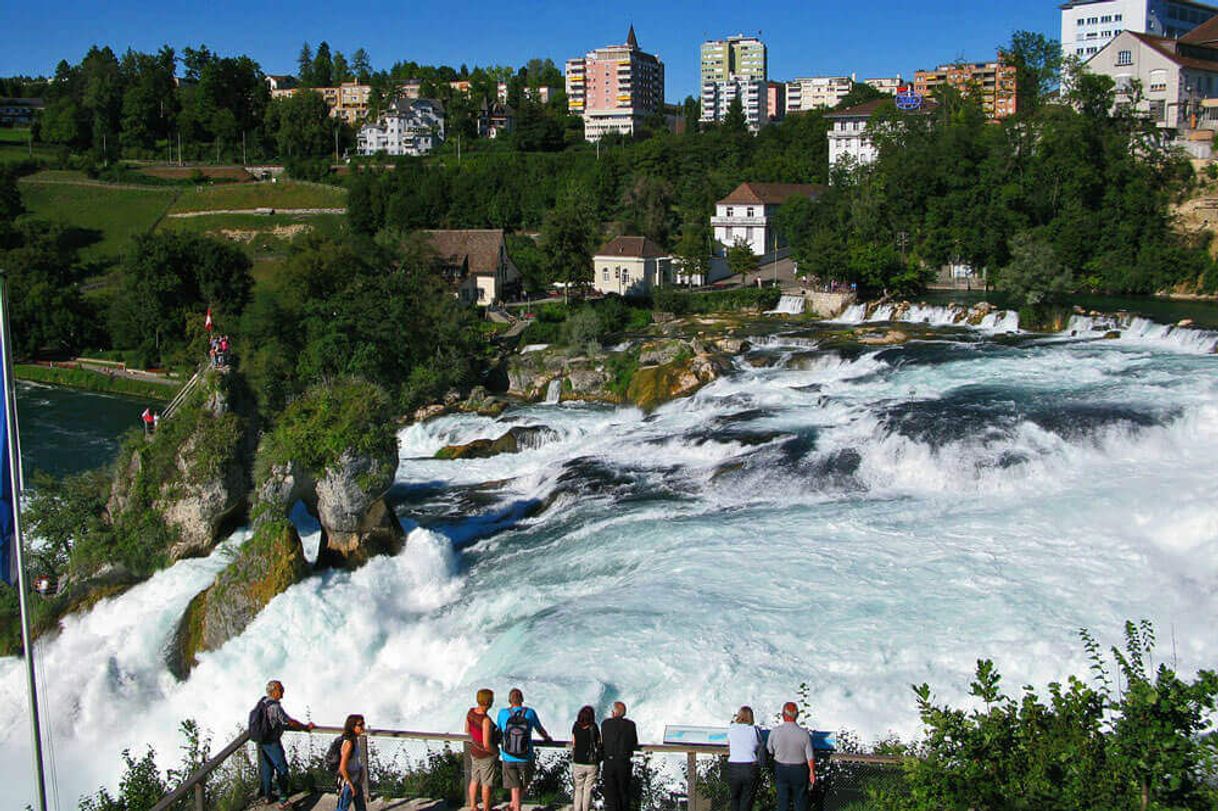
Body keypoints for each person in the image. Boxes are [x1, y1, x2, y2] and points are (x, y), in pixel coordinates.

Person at [255, 680, 316, 809]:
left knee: (267, 770)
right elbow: (289, 722)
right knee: (282, 769)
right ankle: (283, 800)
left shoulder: (263, 702)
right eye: (281, 689)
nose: (283, 691)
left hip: (262, 741)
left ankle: (267, 796)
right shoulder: (275, 707)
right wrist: (305, 727)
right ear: (274, 691)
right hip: (272, 742)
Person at [496, 688, 553, 811]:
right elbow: (540, 729)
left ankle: (514, 804)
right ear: (522, 699)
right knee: (526, 782)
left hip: (507, 756)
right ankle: (516, 806)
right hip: (526, 756)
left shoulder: (502, 713)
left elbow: (499, 731)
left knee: (514, 787)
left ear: (509, 700)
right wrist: (547, 738)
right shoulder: (530, 713)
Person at [766, 702, 815, 811]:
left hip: (781, 769)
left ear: (783, 715)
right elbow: (810, 756)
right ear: (797, 716)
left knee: (783, 801)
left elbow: (769, 750)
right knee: (800, 801)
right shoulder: (804, 733)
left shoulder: (775, 732)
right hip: (799, 770)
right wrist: (812, 772)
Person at [600, 701, 638, 811]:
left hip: (609, 762)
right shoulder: (631, 725)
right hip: (624, 762)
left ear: (614, 713)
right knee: (624, 791)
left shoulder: (605, 724)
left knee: (611, 792)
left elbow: (604, 741)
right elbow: (634, 742)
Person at [727, 706, 764, 811]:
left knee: (734, 798)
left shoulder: (732, 728)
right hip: (749, 766)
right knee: (747, 800)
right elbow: (758, 745)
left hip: (733, 766)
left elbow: (729, 743)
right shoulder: (754, 730)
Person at [466, 688, 497, 811]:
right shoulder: (485, 720)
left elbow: (467, 730)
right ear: (488, 702)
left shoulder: (470, 712)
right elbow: (486, 744)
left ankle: (473, 806)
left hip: (474, 751)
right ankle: (486, 808)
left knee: (474, 780)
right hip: (485, 755)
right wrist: (496, 752)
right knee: (486, 783)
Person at [571, 705, 601, 811]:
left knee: (578, 788)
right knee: (588, 789)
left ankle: (577, 809)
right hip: (591, 763)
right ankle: (585, 809)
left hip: (578, 761)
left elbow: (574, 743)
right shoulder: (594, 727)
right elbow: (598, 743)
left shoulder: (575, 726)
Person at [336, 714, 367, 811]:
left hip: (356, 780)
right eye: (360, 725)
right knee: (342, 809)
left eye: (363, 724)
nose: (363, 727)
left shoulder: (355, 740)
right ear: (352, 727)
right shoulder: (349, 743)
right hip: (348, 783)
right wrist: (350, 784)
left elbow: (354, 761)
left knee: (361, 808)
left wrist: (361, 771)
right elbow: (342, 767)